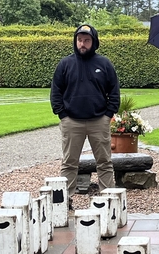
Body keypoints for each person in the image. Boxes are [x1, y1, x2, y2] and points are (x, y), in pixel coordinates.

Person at [50, 24, 120, 199]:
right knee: (69, 163)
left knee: (104, 162)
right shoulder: (65, 64)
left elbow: (114, 90)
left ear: (94, 42)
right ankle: (65, 201)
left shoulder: (104, 64)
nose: (82, 44)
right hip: (72, 121)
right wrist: (62, 115)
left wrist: (108, 115)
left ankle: (108, 199)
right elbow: (56, 91)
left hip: (99, 121)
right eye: (79, 40)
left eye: (87, 40)